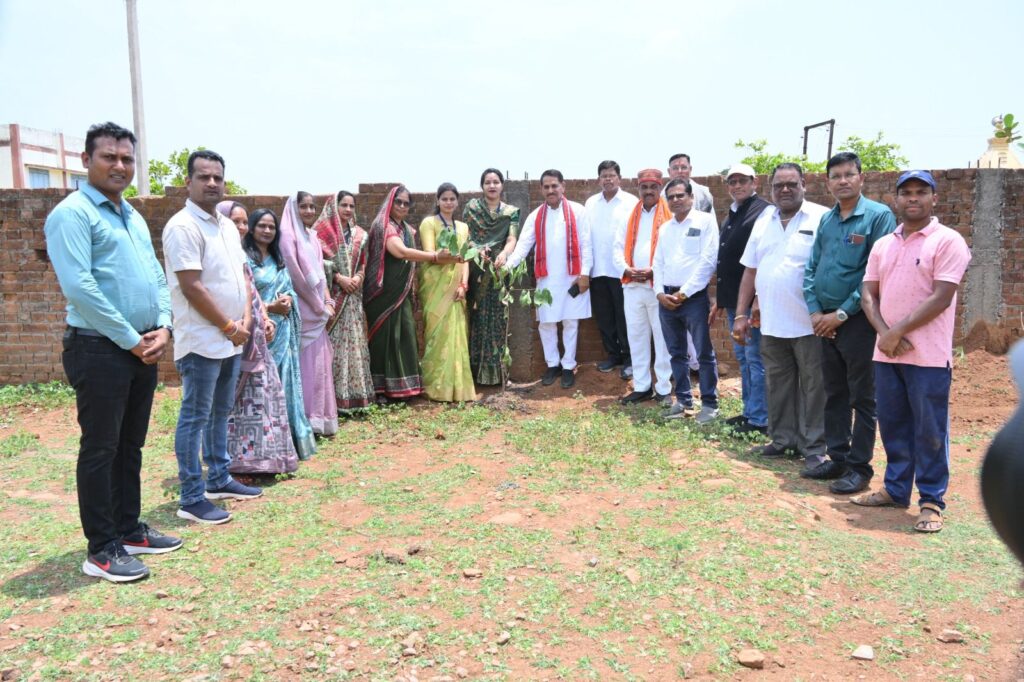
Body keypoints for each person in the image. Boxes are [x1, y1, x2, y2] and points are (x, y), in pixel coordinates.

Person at [45, 121, 181, 582]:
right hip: (99, 348)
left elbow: (157, 275)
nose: (119, 165)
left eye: (126, 158)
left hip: (142, 345)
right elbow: (79, 287)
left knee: (130, 444)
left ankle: (129, 528)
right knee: (101, 448)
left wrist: (164, 326)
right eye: (109, 157)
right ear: (87, 160)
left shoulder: (132, 216)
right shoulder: (72, 214)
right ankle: (102, 549)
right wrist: (130, 338)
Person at [853, 170, 971, 533]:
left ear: (934, 198)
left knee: (930, 429)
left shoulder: (947, 241)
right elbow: (868, 294)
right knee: (893, 424)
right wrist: (885, 334)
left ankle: (931, 501)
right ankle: (895, 489)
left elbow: (942, 297)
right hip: (887, 354)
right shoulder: (883, 245)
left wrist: (897, 332)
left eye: (921, 192)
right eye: (906, 193)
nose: (913, 198)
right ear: (896, 200)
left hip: (928, 357)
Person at [163, 150, 263, 525]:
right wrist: (229, 326)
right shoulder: (183, 227)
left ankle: (218, 478)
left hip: (230, 338)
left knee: (221, 411)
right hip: (203, 340)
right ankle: (191, 497)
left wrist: (245, 321)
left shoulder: (225, 226)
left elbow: (242, 278)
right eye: (203, 177)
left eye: (217, 177)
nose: (212, 183)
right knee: (195, 417)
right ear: (188, 182)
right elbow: (192, 286)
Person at [802, 151, 897, 495]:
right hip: (823, 321)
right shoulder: (827, 220)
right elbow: (811, 268)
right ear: (827, 182)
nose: (842, 180)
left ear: (861, 178)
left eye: (848, 174)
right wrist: (815, 312)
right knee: (835, 393)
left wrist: (840, 314)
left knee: (862, 397)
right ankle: (838, 458)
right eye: (836, 176)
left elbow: (875, 274)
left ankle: (860, 468)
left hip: (857, 321)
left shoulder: (878, 217)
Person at [733, 163, 829, 470]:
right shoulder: (764, 219)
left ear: (804, 185)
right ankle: (783, 438)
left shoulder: (822, 218)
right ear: (770, 189)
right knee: (778, 383)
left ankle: (813, 445)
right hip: (771, 323)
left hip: (810, 323)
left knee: (814, 386)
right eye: (778, 185)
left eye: (791, 184)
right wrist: (740, 313)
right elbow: (751, 270)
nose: (784, 190)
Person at [217, 201, 298, 476]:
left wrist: (268, 316)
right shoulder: (228, 256)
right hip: (235, 336)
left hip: (265, 335)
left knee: (264, 396)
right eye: (237, 222)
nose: (241, 227)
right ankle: (233, 460)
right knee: (234, 399)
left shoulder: (262, 258)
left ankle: (263, 456)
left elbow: (253, 295)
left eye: (243, 222)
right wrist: (264, 313)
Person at [364, 185, 458, 399]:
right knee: (384, 340)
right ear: (390, 203)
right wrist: (435, 257)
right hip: (384, 294)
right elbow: (401, 252)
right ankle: (380, 390)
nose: (402, 206)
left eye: (406, 203)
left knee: (405, 335)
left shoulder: (406, 228)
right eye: (398, 202)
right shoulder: (384, 226)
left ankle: (404, 388)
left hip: (402, 293)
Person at [505, 169, 593, 389]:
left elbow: (586, 244)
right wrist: (505, 268)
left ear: (563, 186)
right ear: (541, 189)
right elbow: (522, 247)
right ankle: (552, 364)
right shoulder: (536, 216)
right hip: (546, 280)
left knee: (571, 322)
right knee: (546, 323)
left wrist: (584, 274)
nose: (551, 190)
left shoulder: (578, 211)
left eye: (555, 186)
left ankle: (568, 365)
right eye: (546, 187)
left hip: (572, 277)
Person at [244, 208, 317, 460]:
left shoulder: (279, 259)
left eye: (272, 227)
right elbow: (242, 299)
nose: (267, 231)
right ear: (251, 228)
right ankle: (264, 446)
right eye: (262, 226)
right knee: (261, 387)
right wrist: (269, 307)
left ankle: (289, 441)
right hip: (258, 333)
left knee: (285, 384)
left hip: (283, 332)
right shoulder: (245, 260)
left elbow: (290, 291)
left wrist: (289, 300)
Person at [711, 163, 772, 434]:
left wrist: (756, 299)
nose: (737, 186)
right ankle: (750, 412)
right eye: (732, 182)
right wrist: (720, 299)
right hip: (734, 301)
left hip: (751, 303)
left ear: (754, 182)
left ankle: (760, 419)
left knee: (755, 359)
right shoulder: (733, 214)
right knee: (744, 359)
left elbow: (764, 258)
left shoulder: (764, 212)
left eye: (742, 181)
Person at [653, 178, 720, 424]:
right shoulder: (665, 228)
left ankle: (710, 404)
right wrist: (659, 293)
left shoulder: (705, 222)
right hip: (666, 299)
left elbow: (708, 261)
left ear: (691, 197)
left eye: (680, 195)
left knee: (703, 353)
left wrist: (684, 293)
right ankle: (683, 401)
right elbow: (657, 263)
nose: (675, 200)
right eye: (670, 197)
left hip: (693, 299)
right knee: (676, 353)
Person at [279, 192, 338, 436]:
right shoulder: (287, 236)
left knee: (320, 363)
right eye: (304, 206)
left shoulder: (312, 236)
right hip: (302, 308)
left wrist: (327, 301)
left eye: (313, 207)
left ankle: (320, 418)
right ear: (294, 208)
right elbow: (295, 275)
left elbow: (321, 274)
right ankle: (303, 418)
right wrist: (316, 305)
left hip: (318, 307)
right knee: (304, 364)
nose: (309, 211)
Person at [613, 168, 673, 405]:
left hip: (658, 288)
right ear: (638, 189)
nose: (648, 191)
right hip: (632, 286)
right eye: (644, 187)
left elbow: (673, 251)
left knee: (662, 338)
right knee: (636, 337)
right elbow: (617, 248)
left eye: (653, 187)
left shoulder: (670, 216)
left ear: (660, 188)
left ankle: (664, 388)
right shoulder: (628, 215)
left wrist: (653, 271)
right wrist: (627, 269)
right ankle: (641, 386)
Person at [313, 191, 375, 412]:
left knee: (355, 344)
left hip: (353, 297)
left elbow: (363, 262)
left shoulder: (360, 234)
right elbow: (317, 263)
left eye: (351, 206)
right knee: (333, 347)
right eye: (344, 205)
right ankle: (331, 401)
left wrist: (358, 277)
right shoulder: (320, 233)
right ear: (334, 206)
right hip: (333, 297)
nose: (348, 209)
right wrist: (339, 278)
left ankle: (356, 398)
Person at [418, 183, 476, 402]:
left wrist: (463, 285)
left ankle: (459, 390)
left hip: (457, 288)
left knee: (457, 336)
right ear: (437, 201)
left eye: (452, 199)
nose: (449, 202)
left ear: (457, 201)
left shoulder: (463, 227)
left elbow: (466, 259)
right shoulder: (429, 223)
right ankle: (435, 389)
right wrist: (458, 256)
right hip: (436, 287)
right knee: (436, 336)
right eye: (444, 199)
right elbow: (431, 254)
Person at [463, 168, 520, 385]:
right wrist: (477, 250)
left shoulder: (511, 211)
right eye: (488, 182)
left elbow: (512, 239)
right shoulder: (472, 208)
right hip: (476, 269)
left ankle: (498, 375)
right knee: (477, 317)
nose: (492, 185)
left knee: (498, 319)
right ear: (482, 186)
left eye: (496, 182)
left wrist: (504, 254)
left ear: (502, 185)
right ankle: (474, 374)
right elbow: (465, 236)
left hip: (498, 269)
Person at [584, 161, 638, 380]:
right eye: (604, 176)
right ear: (599, 180)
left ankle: (629, 358)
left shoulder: (631, 202)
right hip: (597, 270)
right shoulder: (591, 203)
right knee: (604, 317)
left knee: (625, 316)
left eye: (611, 175)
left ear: (619, 178)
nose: (608, 179)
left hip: (621, 271)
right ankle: (613, 355)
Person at [666, 153, 714, 372]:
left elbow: (710, 247)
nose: (680, 171)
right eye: (675, 168)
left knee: (700, 339)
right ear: (669, 172)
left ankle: (702, 376)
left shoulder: (703, 193)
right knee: (676, 340)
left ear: (690, 169)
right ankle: (684, 376)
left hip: (696, 280)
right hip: (671, 277)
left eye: (683, 167)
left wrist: (690, 287)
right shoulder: (663, 195)